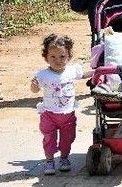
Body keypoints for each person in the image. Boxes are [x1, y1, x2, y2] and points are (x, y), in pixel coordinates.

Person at [30, 34, 92, 175]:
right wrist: (33, 85)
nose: (58, 61)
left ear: (68, 56)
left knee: (68, 139)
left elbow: (83, 75)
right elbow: (34, 90)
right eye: (53, 57)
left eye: (62, 57)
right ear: (46, 57)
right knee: (49, 138)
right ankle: (50, 161)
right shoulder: (43, 75)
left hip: (68, 114)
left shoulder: (72, 71)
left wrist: (97, 72)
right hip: (48, 115)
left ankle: (64, 158)